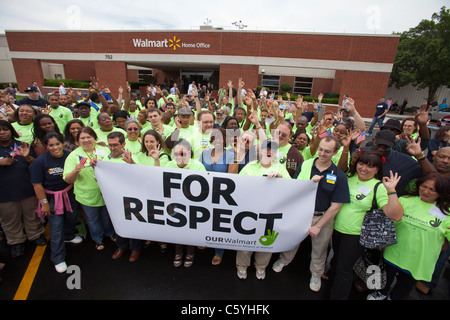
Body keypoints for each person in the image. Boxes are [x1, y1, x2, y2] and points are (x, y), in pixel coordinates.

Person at [273, 136, 350, 292]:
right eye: (320, 149)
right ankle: (283, 260)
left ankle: (316, 274)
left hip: (323, 217)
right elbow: (295, 187)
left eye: (327, 151)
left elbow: (335, 207)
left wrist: (319, 225)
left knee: (320, 249)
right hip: (301, 214)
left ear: (335, 152)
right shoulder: (306, 165)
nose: (322, 153)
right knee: (292, 241)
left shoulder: (340, 176)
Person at [329, 149, 404, 299]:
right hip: (336, 230)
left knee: (344, 271)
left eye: (370, 166)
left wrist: (391, 192)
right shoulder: (348, 179)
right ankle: (330, 287)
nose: (364, 168)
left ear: (377, 169)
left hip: (355, 235)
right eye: (362, 164)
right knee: (336, 260)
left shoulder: (379, 187)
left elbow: (395, 215)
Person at [367, 173, 450, 300]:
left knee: (404, 287)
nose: (426, 191)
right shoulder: (405, 200)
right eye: (424, 186)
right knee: (384, 279)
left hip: (417, 261)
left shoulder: (446, 213)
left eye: (432, 189)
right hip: (394, 252)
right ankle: (380, 293)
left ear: (440, 192)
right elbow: (390, 220)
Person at [236, 139, 290, 280]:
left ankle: (261, 267)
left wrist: (281, 178)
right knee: (245, 242)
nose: (268, 152)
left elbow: (291, 188)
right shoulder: (249, 167)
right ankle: (242, 266)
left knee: (266, 242)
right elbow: (239, 187)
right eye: (265, 148)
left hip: (271, 213)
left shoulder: (281, 168)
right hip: (250, 213)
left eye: (272, 149)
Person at [29, 132, 82, 273]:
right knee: (56, 226)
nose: (55, 147)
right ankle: (58, 258)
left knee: (72, 216)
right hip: (52, 198)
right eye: (51, 145)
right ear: (46, 146)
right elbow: (37, 184)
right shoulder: (40, 162)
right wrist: (44, 203)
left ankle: (69, 236)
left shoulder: (70, 155)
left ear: (62, 143)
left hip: (68, 192)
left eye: (57, 144)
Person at [63, 126, 115, 251]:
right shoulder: (73, 156)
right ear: (78, 140)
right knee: (93, 219)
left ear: (94, 138)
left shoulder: (105, 150)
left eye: (88, 137)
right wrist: (76, 170)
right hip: (87, 196)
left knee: (107, 216)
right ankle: (98, 239)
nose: (86, 140)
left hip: (107, 194)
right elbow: (68, 179)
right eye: (82, 138)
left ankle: (110, 233)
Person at [0, 120, 46, 258]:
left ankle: (35, 235)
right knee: (9, 218)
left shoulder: (21, 145)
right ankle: (16, 241)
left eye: (5, 130)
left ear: (11, 131)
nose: (2, 133)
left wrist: (28, 157)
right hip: (4, 192)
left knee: (32, 214)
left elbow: (34, 165)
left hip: (26, 188)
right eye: (0, 130)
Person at [103, 131, 143, 263]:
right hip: (114, 198)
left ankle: (135, 249)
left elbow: (141, 176)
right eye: (110, 145)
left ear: (123, 144)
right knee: (118, 223)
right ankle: (121, 246)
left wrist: (131, 164)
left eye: (115, 145)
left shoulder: (131, 157)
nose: (112, 148)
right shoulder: (104, 158)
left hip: (132, 198)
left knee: (134, 224)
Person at [165, 139, 206, 268]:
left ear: (189, 153)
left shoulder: (198, 166)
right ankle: (178, 253)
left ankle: (190, 253)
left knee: (191, 229)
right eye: (176, 154)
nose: (179, 157)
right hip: (175, 204)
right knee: (177, 229)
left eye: (182, 153)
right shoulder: (169, 165)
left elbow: (205, 186)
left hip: (193, 204)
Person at [199, 127, 235, 265]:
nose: (218, 140)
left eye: (221, 138)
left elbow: (232, 178)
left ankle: (219, 252)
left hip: (222, 195)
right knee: (205, 218)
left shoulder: (231, 155)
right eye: (216, 137)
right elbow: (199, 171)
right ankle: (204, 240)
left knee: (219, 223)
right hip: (205, 194)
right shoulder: (205, 153)